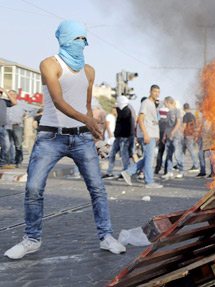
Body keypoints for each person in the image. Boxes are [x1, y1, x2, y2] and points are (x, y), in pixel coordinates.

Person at [4, 20, 125, 259]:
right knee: (33, 188)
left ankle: (106, 236)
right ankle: (31, 239)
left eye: (84, 39)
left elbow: (87, 106)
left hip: (81, 138)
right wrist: (86, 119)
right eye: (76, 39)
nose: (81, 43)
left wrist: (96, 134)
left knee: (98, 189)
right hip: (50, 136)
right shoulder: (50, 64)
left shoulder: (89, 71)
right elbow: (59, 101)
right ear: (64, 39)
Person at [120, 85, 163, 188]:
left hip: (152, 134)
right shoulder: (146, 103)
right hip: (147, 135)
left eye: (158, 92)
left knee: (148, 158)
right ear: (150, 92)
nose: (157, 94)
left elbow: (153, 121)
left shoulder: (153, 104)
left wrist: (156, 134)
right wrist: (145, 134)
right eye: (155, 91)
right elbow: (140, 119)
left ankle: (128, 172)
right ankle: (149, 181)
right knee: (149, 159)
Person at [104, 96, 135, 178]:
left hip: (124, 137)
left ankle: (125, 172)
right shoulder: (121, 111)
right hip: (118, 137)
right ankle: (109, 171)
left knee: (124, 155)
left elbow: (128, 126)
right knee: (112, 153)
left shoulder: (127, 111)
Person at [6, 90, 33, 167]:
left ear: (15, 95)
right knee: (6, 145)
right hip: (6, 126)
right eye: (8, 94)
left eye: (11, 94)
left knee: (18, 145)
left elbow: (33, 110)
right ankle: (7, 162)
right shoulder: (5, 103)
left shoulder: (21, 104)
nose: (9, 96)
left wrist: (26, 117)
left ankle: (18, 161)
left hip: (17, 126)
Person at [162, 97, 184, 179]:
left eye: (165, 102)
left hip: (176, 136)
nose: (164, 104)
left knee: (177, 154)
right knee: (169, 154)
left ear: (168, 102)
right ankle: (169, 172)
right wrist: (164, 135)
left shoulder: (177, 111)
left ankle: (181, 170)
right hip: (169, 136)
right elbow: (167, 125)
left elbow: (178, 123)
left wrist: (172, 132)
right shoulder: (168, 113)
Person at [0, 87, 18, 168]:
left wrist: (6, 92)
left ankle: (2, 164)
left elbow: (15, 102)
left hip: (3, 127)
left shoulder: (4, 101)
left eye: (1, 92)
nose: (0, 93)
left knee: (6, 146)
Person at [181, 103, 199, 170]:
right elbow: (195, 125)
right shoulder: (193, 116)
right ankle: (179, 163)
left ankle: (196, 164)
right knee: (183, 150)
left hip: (187, 135)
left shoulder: (185, 116)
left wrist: (180, 133)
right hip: (191, 134)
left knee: (191, 150)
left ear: (184, 108)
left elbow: (184, 125)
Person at [154, 106, 169, 175]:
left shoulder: (159, 112)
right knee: (167, 153)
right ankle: (166, 170)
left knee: (160, 151)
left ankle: (157, 168)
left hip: (160, 133)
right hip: (167, 133)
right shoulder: (168, 112)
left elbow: (156, 121)